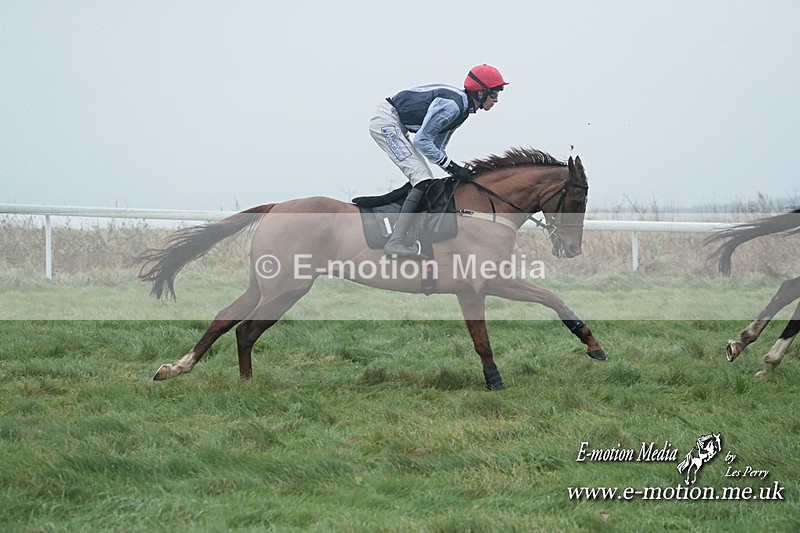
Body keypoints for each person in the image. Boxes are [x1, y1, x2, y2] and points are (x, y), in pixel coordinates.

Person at [369, 64, 508, 258]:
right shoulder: (453, 107)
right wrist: (452, 167)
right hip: (386, 123)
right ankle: (395, 242)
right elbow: (421, 141)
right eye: (494, 94)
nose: (496, 100)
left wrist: (455, 170)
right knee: (423, 179)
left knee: (425, 180)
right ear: (480, 92)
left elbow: (436, 147)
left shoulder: (463, 110)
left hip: (396, 124)